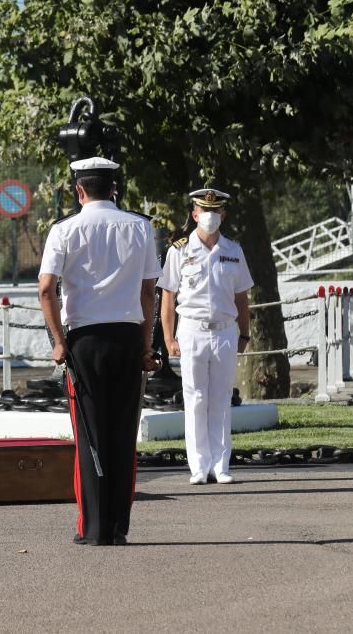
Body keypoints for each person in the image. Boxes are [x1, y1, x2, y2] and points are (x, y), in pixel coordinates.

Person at [38, 157, 161, 546]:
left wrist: (58, 341)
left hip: (85, 342)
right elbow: (147, 293)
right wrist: (146, 346)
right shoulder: (140, 227)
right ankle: (117, 527)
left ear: (78, 190)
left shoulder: (64, 230)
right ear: (114, 188)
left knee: (90, 436)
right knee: (123, 436)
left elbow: (45, 289)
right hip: (126, 337)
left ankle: (91, 529)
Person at [158, 189, 253, 485]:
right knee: (195, 397)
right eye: (203, 209)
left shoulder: (233, 250)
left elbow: (242, 298)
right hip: (191, 330)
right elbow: (168, 297)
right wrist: (169, 338)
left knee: (222, 398)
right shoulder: (179, 250)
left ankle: (220, 464)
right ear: (194, 213)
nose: (210, 215)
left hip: (225, 330)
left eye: (216, 210)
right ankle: (198, 466)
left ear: (223, 214)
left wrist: (245, 333)